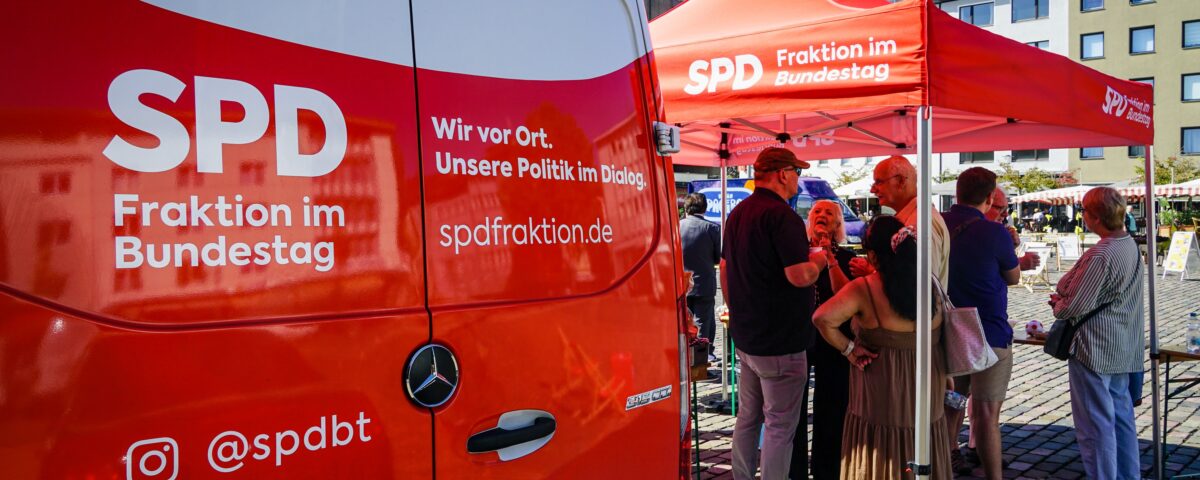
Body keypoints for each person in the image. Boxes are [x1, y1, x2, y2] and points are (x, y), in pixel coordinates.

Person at [812, 216, 952, 480]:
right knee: (923, 438)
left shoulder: (865, 288)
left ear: (873, 256)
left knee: (880, 447)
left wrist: (849, 349)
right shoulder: (930, 284)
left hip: (882, 387)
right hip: (929, 381)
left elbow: (822, 318)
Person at [719, 147, 829, 480]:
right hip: (781, 341)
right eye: (796, 171)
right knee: (781, 426)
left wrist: (737, 310)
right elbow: (798, 276)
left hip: (749, 337)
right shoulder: (783, 217)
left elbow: (724, 269)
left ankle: (741, 476)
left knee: (749, 418)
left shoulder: (739, 212)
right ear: (782, 173)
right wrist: (820, 261)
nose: (799, 178)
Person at [940, 169, 1040, 478]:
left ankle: (944, 464)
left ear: (957, 192)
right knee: (985, 413)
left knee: (952, 402)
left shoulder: (938, 223)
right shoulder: (994, 233)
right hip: (989, 331)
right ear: (988, 198)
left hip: (949, 331)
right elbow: (1013, 277)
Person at [1049, 186, 1144, 479]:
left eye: (1084, 211)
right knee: (1121, 418)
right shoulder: (1129, 244)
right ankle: (1128, 475)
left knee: (1095, 425)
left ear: (1095, 217)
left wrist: (1059, 302)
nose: (1083, 216)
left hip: (1095, 348)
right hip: (1123, 344)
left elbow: (1072, 305)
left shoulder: (1100, 254)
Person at [791, 199, 856, 480]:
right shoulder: (797, 254)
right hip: (799, 337)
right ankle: (794, 471)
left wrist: (829, 256)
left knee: (832, 407)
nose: (822, 216)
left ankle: (826, 471)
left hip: (835, 338)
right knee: (794, 408)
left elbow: (846, 296)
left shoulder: (847, 258)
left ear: (838, 224)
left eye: (829, 213)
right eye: (817, 211)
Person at [850, 156, 949, 285]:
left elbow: (921, 287)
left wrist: (871, 273)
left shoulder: (920, 223)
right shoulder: (915, 219)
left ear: (901, 181)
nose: (873, 189)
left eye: (879, 182)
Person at [681, 193, 722, 360]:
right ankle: (700, 360)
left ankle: (689, 357)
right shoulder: (712, 228)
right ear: (705, 208)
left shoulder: (676, 226)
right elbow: (717, 258)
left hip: (681, 284)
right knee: (703, 322)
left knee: (684, 322)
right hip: (703, 282)